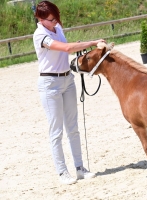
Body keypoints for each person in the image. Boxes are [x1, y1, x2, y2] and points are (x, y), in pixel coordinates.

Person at [33, 1, 105, 185]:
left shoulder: (57, 28)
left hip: (67, 80)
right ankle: (62, 172)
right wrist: (93, 42)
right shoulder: (40, 34)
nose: (55, 21)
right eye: (51, 19)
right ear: (41, 19)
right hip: (50, 84)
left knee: (73, 128)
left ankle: (80, 168)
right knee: (56, 131)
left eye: (56, 17)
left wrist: (80, 45)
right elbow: (65, 48)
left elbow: (68, 46)